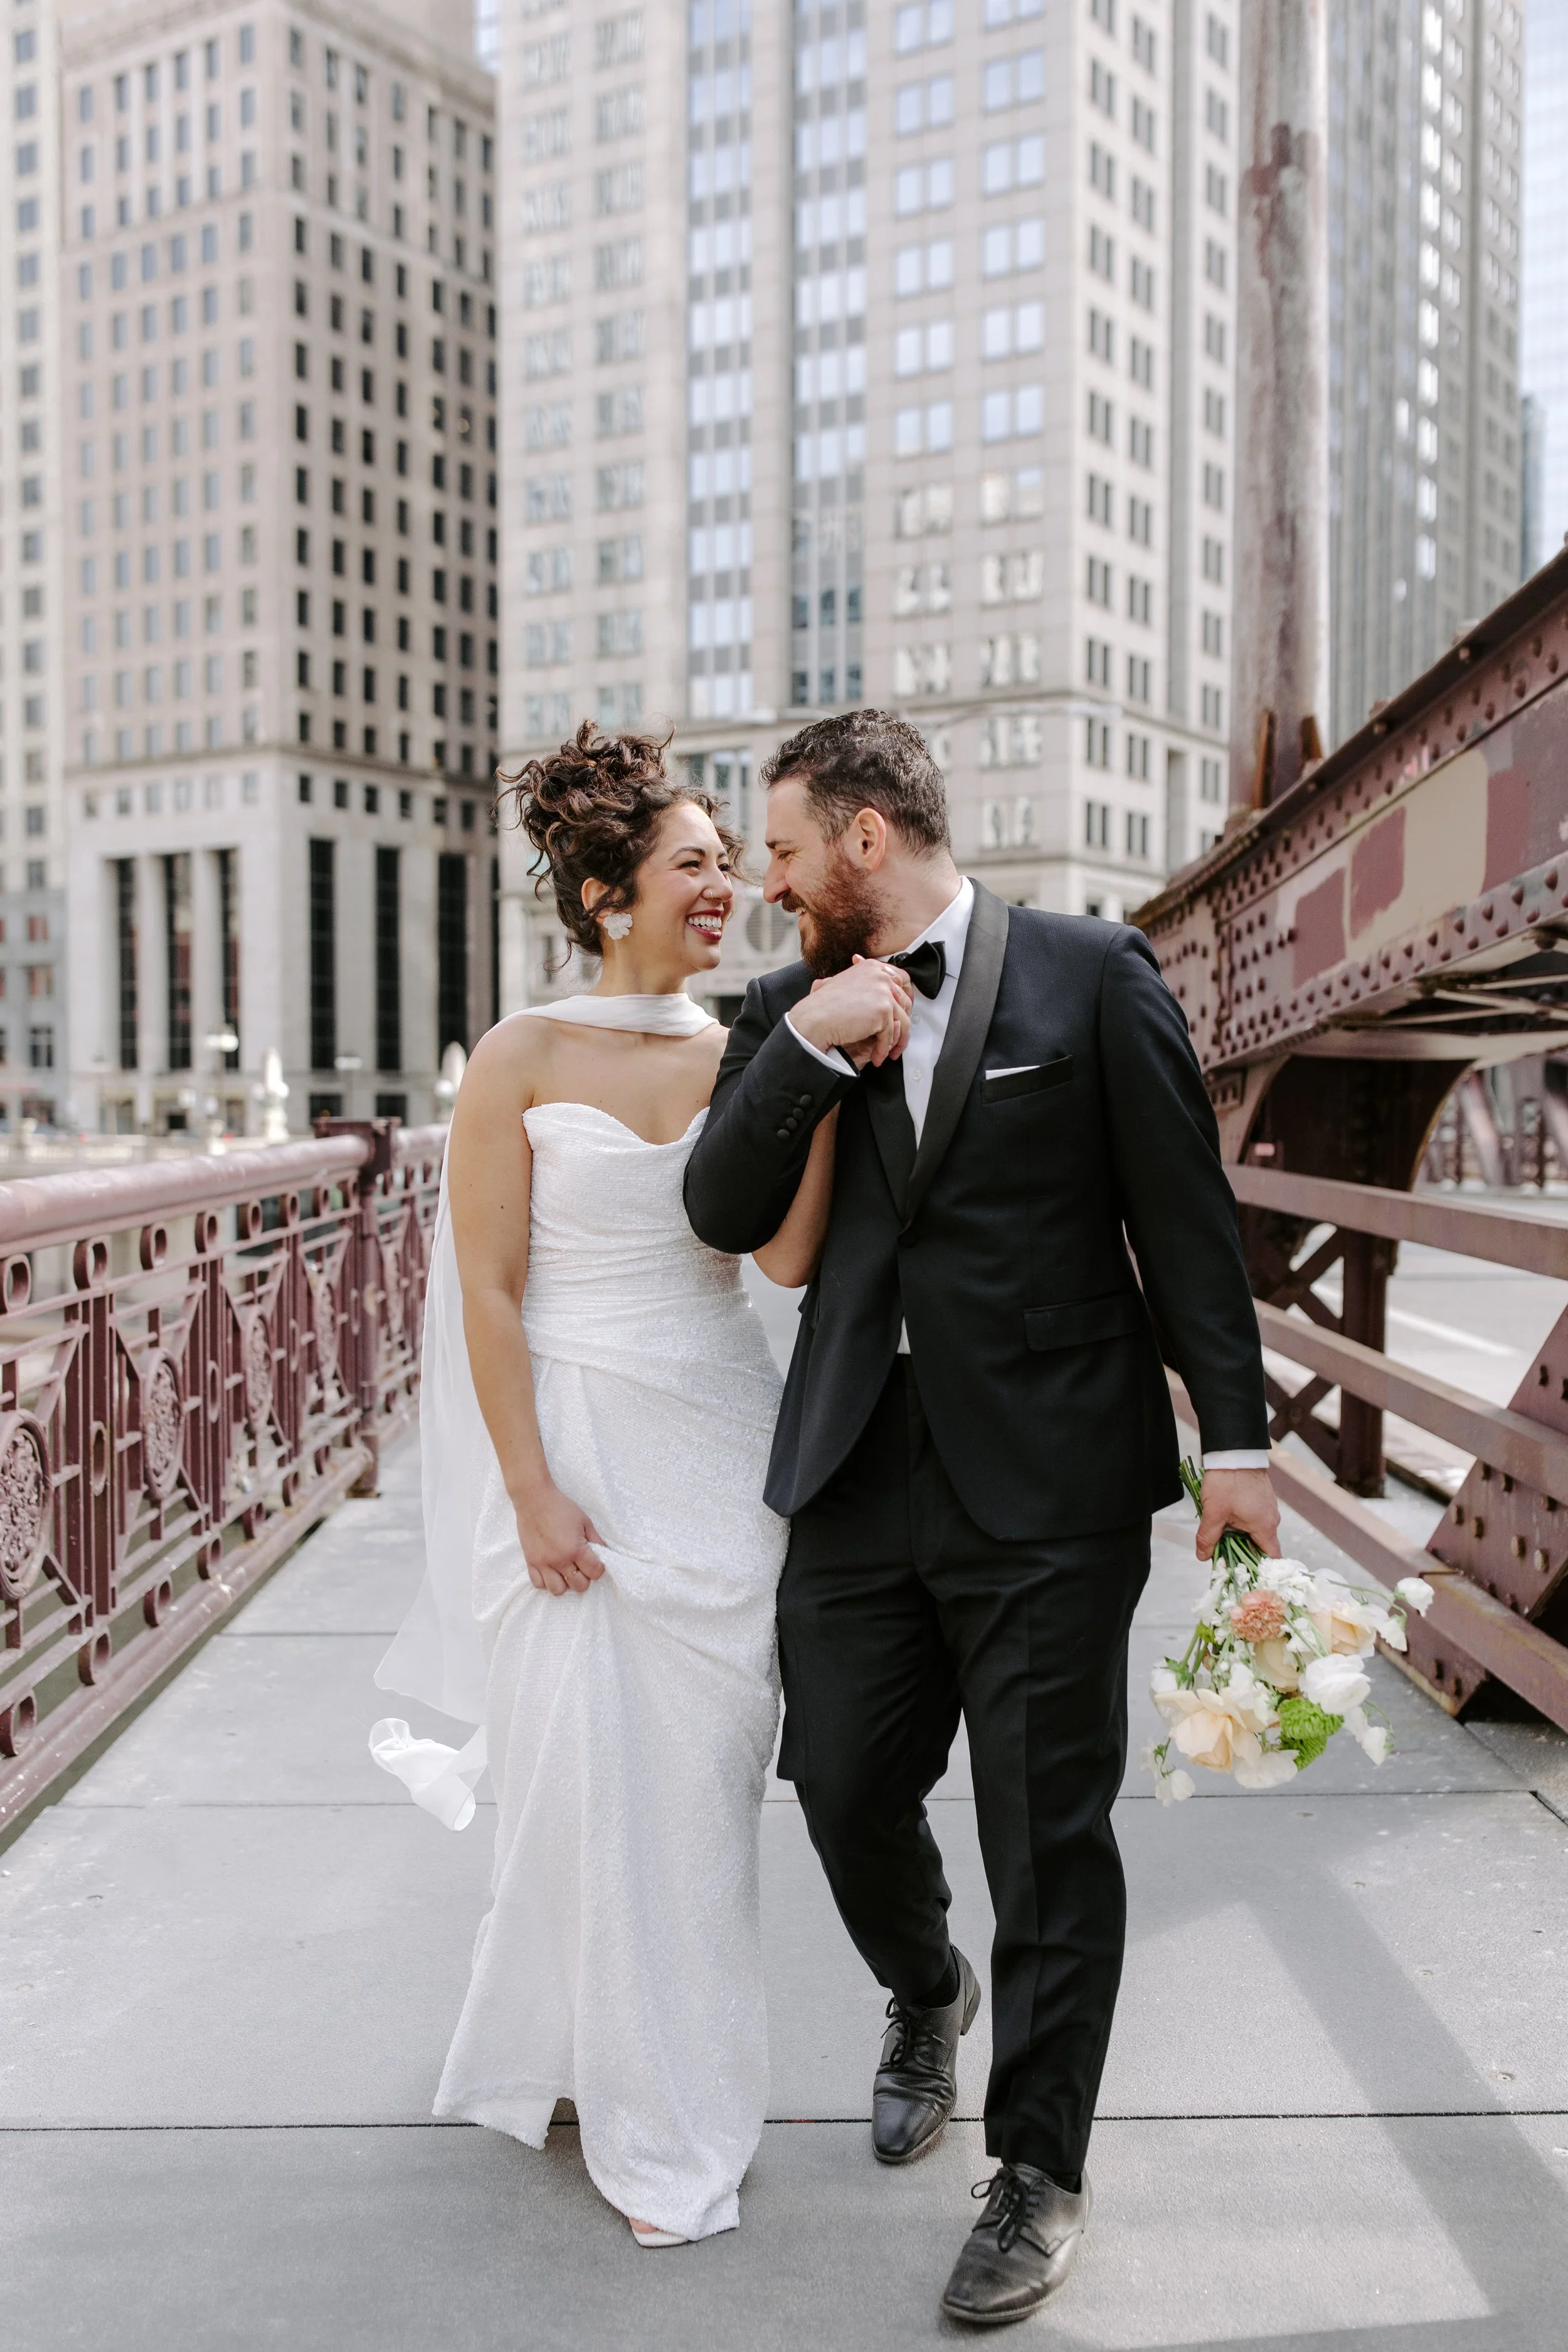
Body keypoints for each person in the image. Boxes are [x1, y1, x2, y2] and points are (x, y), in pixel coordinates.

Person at [684, 709, 1278, 2328]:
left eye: (790, 850)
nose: (771, 882)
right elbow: (722, 1214)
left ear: (866, 839)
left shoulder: (1090, 970)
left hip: (1052, 1487)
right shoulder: (776, 1005)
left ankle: (1034, 2165)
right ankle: (921, 1984)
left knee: (1046, 1830)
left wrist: (1239, 1438)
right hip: (857, 1470)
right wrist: (809, 1044)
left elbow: (1183, 1217)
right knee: (842, 1777)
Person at [370, 725, 842, 2248]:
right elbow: (490, 1292)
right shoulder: (518, 1056)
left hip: (713, 1448)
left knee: (692, 1810)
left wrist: (816, 1083)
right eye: (693, 866)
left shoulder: (744, 1050)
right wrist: (530, 1492)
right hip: (565, 1450)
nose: (725, 889)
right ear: (600, 895)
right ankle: (620, 2087)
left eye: (728, 865)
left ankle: (672, 2093)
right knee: (577, 1799)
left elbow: (777, 1257)